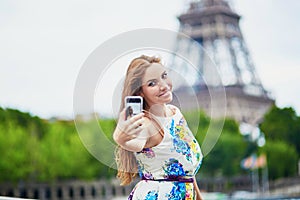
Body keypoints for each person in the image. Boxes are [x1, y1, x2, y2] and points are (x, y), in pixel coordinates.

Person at [113, 55, 204, 200]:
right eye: (152, 83)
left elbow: (188, 174)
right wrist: (119, 138)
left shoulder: (175, 114)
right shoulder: (146, 124)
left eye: (164, 76)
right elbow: (136, 144)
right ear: (140, 93)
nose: (164, 85)